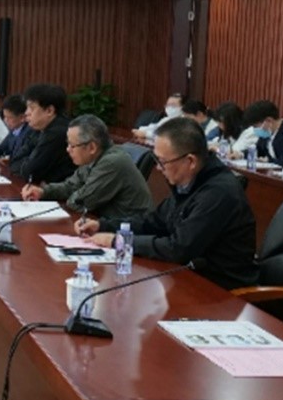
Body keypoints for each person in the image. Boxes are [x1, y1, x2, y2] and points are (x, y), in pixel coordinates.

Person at [76, 117, 258, 290]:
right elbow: (152, 222)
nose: (158, 168)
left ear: (190, 161)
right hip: (189, 279)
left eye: (163, 162)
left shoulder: (218, 193)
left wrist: (119, 241)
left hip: (221, 290)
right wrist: (104, 225)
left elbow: (178, 248)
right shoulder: (189, 183)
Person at [22, 115, 153, 219]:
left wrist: (73, 196)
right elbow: (70, 186)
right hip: (103, 223)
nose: (68, 150)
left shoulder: (112, 162)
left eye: (72, 145)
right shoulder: (93, 157)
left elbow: (81, 202)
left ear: (91, 147)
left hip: (128, 232)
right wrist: (43, 191)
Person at [10, 83, 76, 184]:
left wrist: (27, 163)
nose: (26, 113)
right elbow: (14, 162)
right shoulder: (38, 129)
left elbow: (31, 172)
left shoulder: (57, 133)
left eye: (32, 108)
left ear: (49, 110)